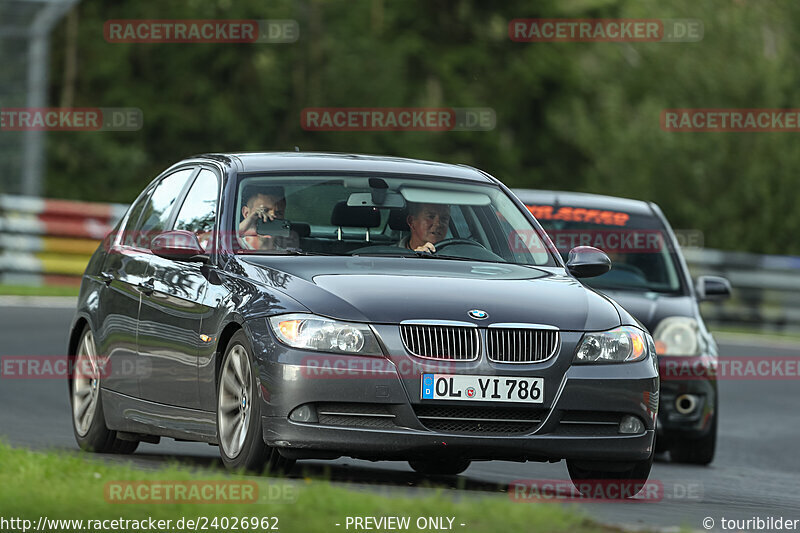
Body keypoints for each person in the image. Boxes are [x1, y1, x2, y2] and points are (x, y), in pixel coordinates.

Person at [238, 185, 292, 250]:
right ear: (246, 214)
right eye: (264, 211)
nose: (273, 216)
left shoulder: (289, 253)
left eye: (279, 213)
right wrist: (243, 227)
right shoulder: (233, 248)